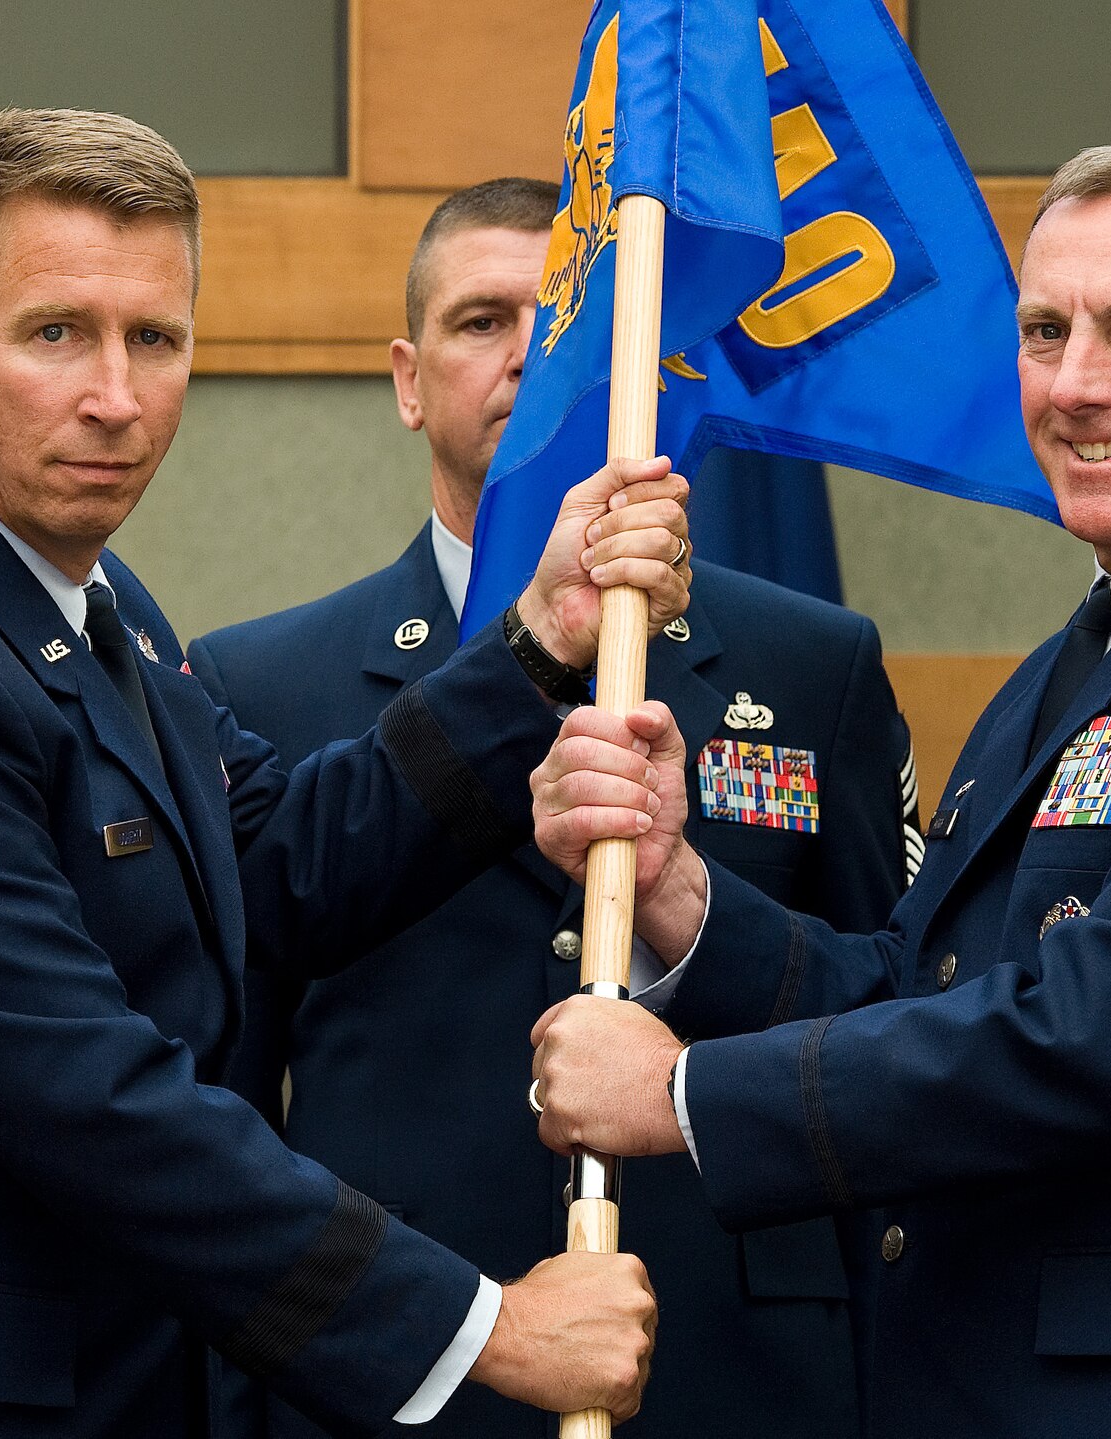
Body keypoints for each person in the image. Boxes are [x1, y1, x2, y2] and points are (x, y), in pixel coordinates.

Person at [0, 110, 692, 1439]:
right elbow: (96, 1105)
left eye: (153, 338)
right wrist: (485, 1326)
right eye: (58, 333)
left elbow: (271, 865)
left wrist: (537, 645)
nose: (115, 394)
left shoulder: (87, 600)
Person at [525, 140, 1111, 1439]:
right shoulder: (1088, 658)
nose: (1078, 383)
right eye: (1046, 331)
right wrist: (677, 885)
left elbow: (1100, 1025)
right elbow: (935, 982)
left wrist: (687, 1096)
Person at [188, 178, 917, 1439]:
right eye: (481, 319)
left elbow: (894, 1028)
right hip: (397, 1381)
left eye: (569, 313)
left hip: (740, 1373)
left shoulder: (811, 664)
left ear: (635, 358)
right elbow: (222, 1105)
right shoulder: (262, 681)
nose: (527, 347)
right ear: (409, 380)